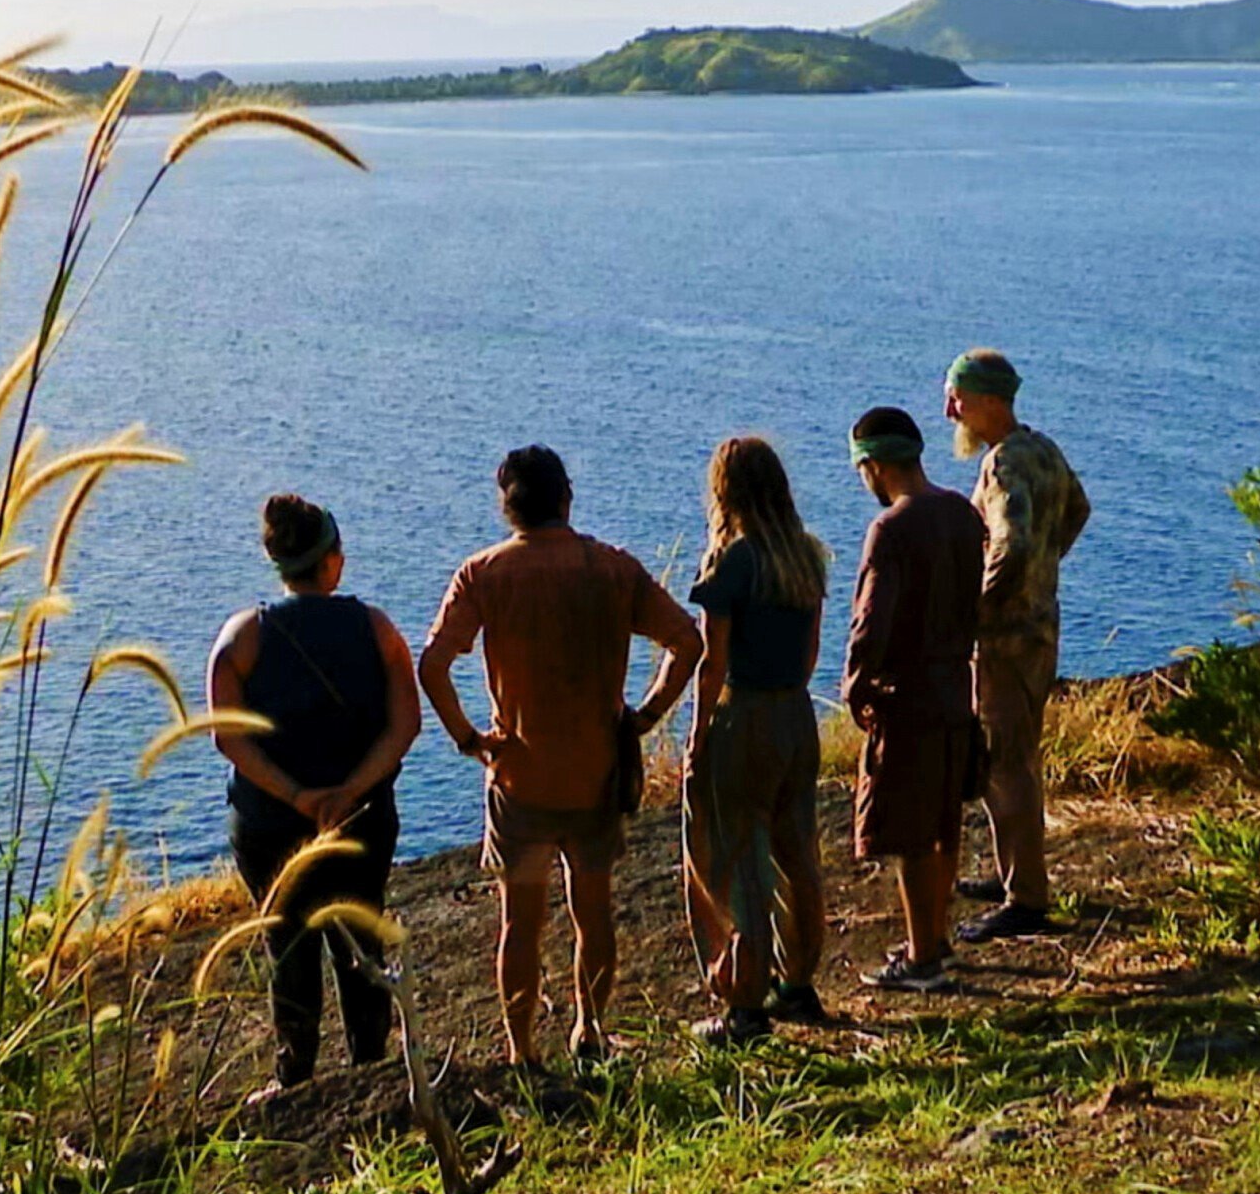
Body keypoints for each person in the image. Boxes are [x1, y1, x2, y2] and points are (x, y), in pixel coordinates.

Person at [420, 445, 702, 1068]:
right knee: (592, 913)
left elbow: (433, 665)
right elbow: (687, 641)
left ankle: (522, 1052)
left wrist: (470, 740)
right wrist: (646, 717)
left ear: (508, 507)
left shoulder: (484, 574)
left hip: (519, 778)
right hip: (596, 776)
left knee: (520, 924)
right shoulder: (612, 568)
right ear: (566, 500)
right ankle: (590, 1031)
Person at [206, 494, 421, 1101]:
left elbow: (228, 735)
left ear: (279, 562)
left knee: (288, 946)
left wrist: (298, 796)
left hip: (270, 826)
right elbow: (405, 724)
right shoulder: (375, 628)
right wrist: (348, 792)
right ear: (333, 560)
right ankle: (373, 1068)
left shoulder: (244, 635)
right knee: (362, 935)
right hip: (361, 821)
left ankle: (292, 1077)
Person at [681, 436, 832, 1043]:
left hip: (744, 714)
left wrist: (697, 735)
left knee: (740, 858)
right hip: (796, 712)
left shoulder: (732, 560)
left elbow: (710, 662)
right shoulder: (806, 555)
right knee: (798, 853)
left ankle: (744, 1006)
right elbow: (814, 646)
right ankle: (798, 984)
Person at [944, 348, 1091, 941]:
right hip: (1041, 627)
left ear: (987, 401)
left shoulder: (1004, 465)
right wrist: (1044, 574)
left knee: (1005, 763)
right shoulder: (1043, 450)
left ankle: (1025, 897)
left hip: (1005, 641)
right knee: (1017, 757)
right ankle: (1015, 874)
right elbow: (1077, 509)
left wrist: (973, 610)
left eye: (957, 397)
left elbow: (1009, 544)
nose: (950, 408)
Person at [842, 407, 987, 991]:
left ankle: (921, 956)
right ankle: (939, 936)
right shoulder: (960, 513)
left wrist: (857, 683)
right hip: (957, 687)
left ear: (873, 465)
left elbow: (871, 621)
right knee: (945, 820)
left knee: (907, 831)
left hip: (908, 695)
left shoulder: (892, 529)